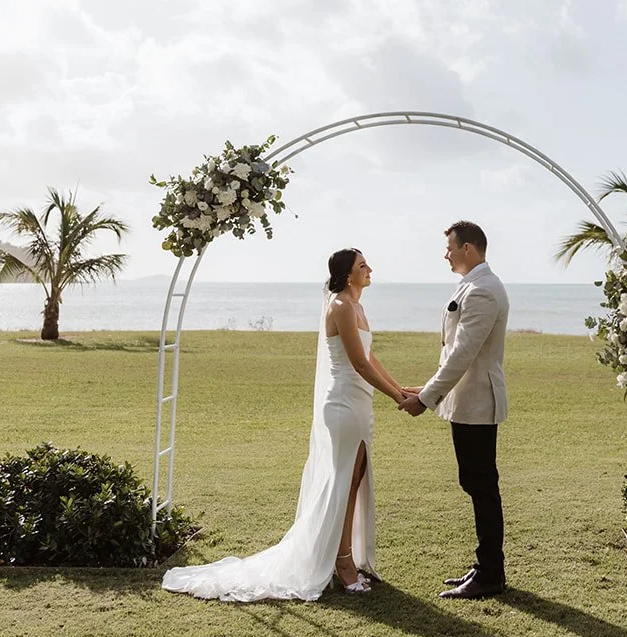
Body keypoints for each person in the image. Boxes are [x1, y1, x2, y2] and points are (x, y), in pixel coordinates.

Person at [162, 248, 405, 603]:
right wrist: (398, 399)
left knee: (353, 481)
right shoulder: (339, 306)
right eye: (362, 266)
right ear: (346, 275)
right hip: (343, 405)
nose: (370, 269)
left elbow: (371, 357)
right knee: (341, 482)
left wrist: (402, 388)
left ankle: (347, 557)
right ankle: (341, 563)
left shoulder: (358, 306)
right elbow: (359, 365)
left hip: (360, 405)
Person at [399, 221, 510, 599]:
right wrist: (428, 387)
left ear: (468, 248)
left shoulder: (482, 291)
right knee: (476, 483)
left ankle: (491, 574)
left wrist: (426, 399)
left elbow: (463, 354)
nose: (445, 254)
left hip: (477, 402)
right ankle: (486, 566)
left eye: (449, 247)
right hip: (466, 401)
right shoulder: (472, 286)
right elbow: (453, 352)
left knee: (481, 485)